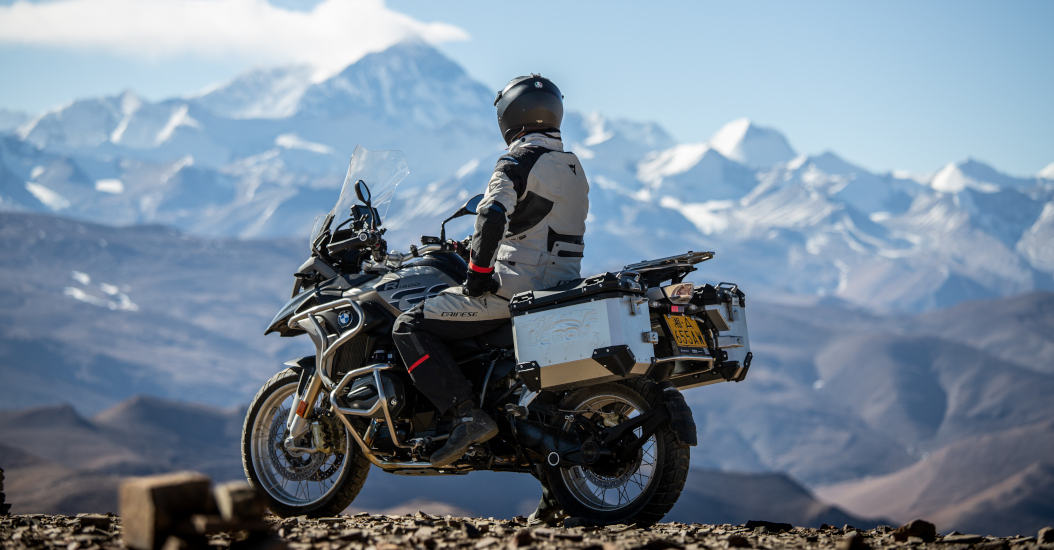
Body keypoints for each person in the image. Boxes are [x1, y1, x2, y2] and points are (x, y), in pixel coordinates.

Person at [392, 74, 589, 473]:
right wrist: (477, 246)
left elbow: (492, 213)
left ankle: (466, 414)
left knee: (408, 326)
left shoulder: (517, 161)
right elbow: (536, 225)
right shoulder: (573, 167)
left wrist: (478, 273)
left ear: (509, 117)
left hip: (514, 289)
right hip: (562, 286)